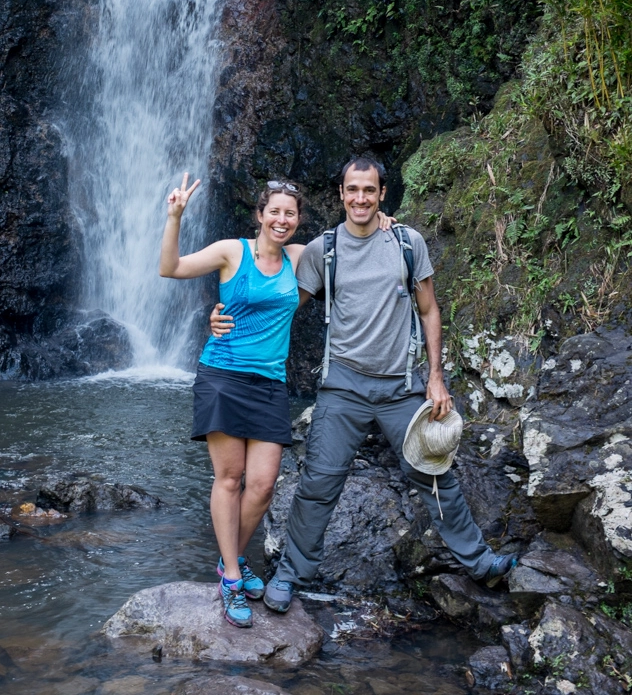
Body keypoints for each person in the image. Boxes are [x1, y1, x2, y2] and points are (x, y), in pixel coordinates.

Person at [210, 155, 518, 612]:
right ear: (340, 194)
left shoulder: (407, 243)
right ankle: (290, 574)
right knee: (317, 483)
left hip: (401, 385)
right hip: (343, 387)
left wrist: (436, 377)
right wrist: (224, 319)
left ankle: (478, 562)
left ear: (381, 195)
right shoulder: (322, 250)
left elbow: (429, 309)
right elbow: (278, 303)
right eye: (352, 190)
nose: (360, 198)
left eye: (368, 191)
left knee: (435, 475)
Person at [160, 170, 393, 628]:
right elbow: (171, 269)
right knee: (229, 479)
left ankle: (232, 559)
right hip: (223, 375)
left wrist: (380, 219)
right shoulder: (233, 251)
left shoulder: (301, 256)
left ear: (298, 219)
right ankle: (231, 575)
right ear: (260, 215)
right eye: (274, 212)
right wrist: (175, 217)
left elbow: (354, 238)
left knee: (263, 486)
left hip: (269, 383)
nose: (282, 220)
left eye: (290, 213)